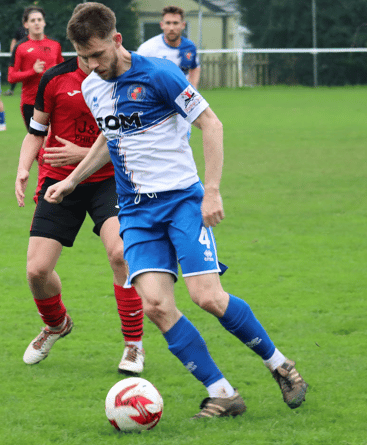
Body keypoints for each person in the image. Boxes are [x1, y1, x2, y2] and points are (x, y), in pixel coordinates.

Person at [46, 2, 308, 419]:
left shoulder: (160, 74)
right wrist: (72, 180)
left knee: (207, 297)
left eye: (97, 54)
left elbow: (212, 124)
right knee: (155, 305)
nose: (91, 65)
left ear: (116, 40)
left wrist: (213, 191)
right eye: (83, 57)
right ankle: (222, 392)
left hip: (182, 200)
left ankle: (281, 366)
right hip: (134, 211)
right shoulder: (93, 86)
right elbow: (107, 140)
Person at [15, 49, 145, 375]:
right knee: (37, 272)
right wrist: (22, 169)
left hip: (109, 180)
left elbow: (133, 139)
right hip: (59, 181)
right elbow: (36, 132)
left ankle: (133, 345)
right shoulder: (55, 78)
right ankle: (56, 324)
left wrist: (82, 153)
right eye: (86, 52)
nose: (94, 60)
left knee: (120, 253)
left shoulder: (124, 79)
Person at [8, 6, 64, 130]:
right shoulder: (20, 47)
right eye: (33, 20)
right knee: (37, 143)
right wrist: (32, 72)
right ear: (26, 25)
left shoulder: (55, 45)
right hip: (31, 104)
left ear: (44, 22)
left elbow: (63, 71)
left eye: (39, 19)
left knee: (54, 144)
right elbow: (11, 77)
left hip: (55, 102)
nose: (37, 23)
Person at [136, 5, 200, 89]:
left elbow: (195, 67)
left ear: (183, 25)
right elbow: (136, 74)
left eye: (175, 23)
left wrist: (193, 87)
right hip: (157, 98)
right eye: (168, 23)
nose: (171, 28)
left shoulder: (189, 46)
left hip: (182, 98)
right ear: (162, 25)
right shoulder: (147, 48)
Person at [4, 24, 29, 96]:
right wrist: (12, 50)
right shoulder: (19, 30)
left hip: (29, 55)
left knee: (29, 72)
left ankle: (29, 89)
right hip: (19, 54)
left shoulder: (33, 29)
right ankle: (11, 90)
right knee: (15, 72)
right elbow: (14, 40)